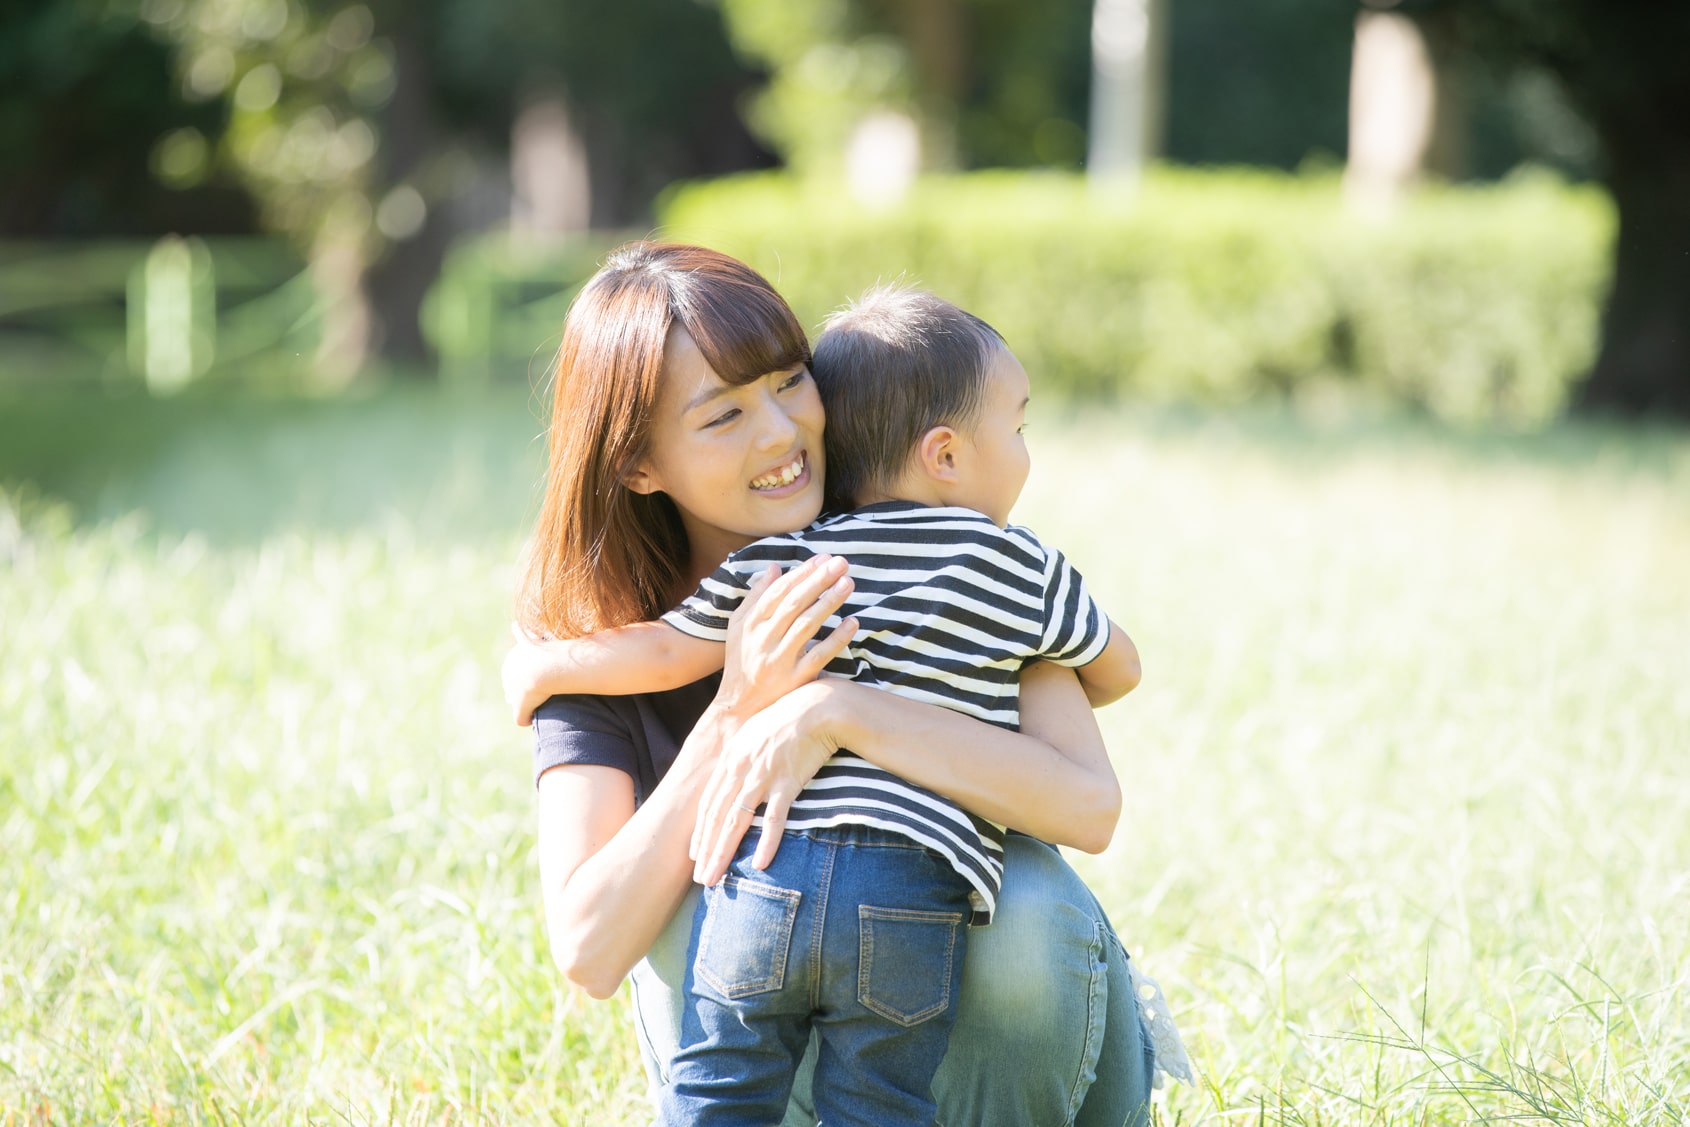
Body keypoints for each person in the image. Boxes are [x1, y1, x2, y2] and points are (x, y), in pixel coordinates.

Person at [505, 242, 1190, 1126]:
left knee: (1018, 909)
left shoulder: (939, 550)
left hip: (1017, 1065)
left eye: (791, 381)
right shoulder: (609, 645)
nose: (781, 433)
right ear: (638, 465)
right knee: (694, 904)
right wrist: (738, 709)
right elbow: (592, 948)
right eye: (723, 416)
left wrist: (842, 709)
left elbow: (1088, 805)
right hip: (783, 1056)